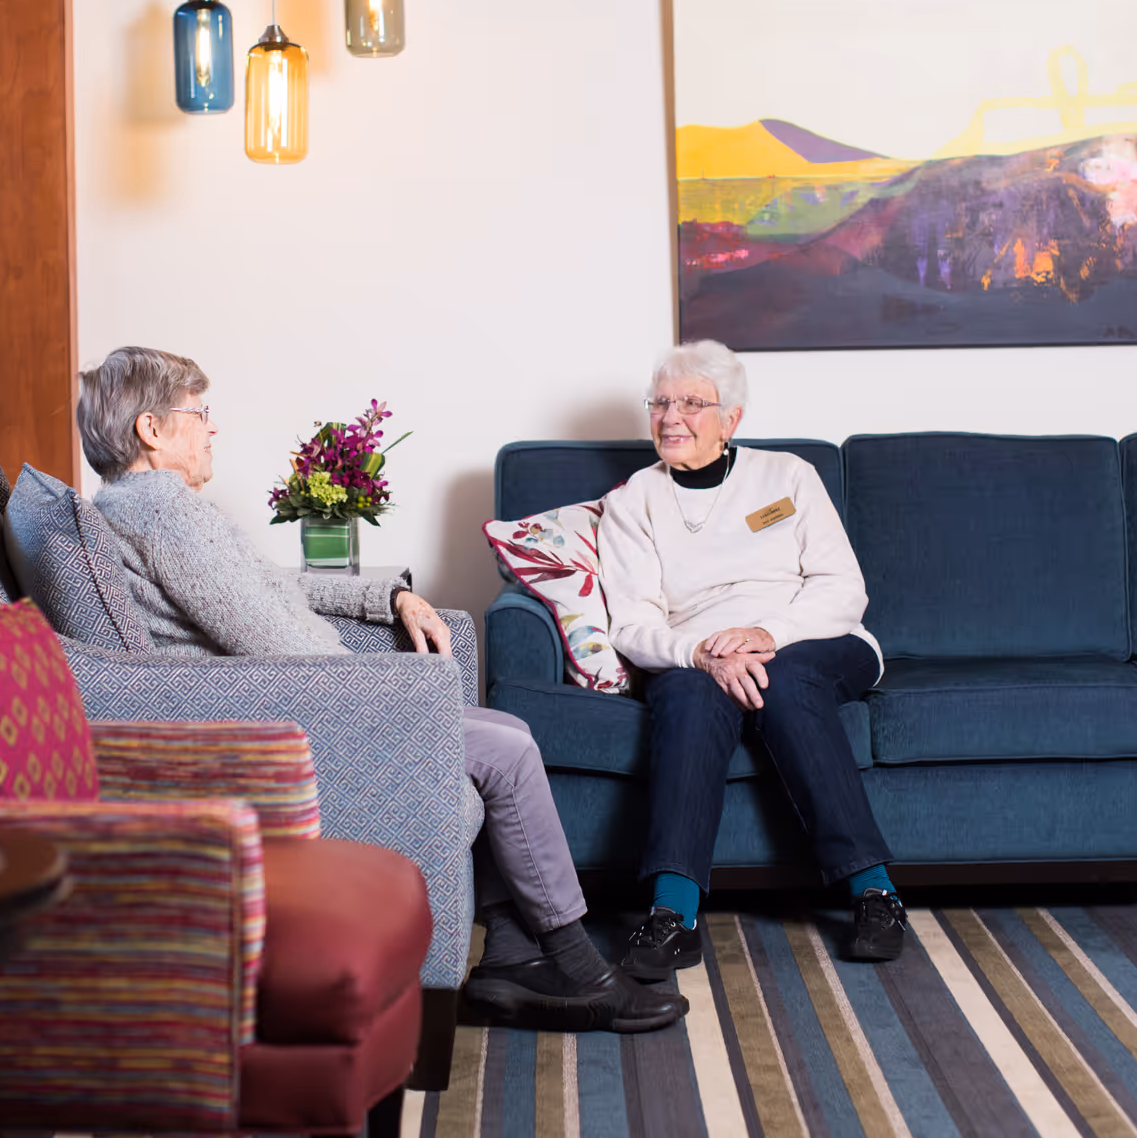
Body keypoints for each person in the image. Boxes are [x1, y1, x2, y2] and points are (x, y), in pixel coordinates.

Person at [76, 347, 685, 1034]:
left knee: (498, 739)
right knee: (508, 747)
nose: (212, 428)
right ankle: (575, 965)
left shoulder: (143, 508)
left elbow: (273, 585)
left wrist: (386, 598)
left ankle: (511, 959)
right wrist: (387, 687)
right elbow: (278, 643)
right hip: (280, 713)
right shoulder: (163, 512)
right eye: (199, 412)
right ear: (151, 430)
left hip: (278, 699)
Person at [598, 339, 907, 979]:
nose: (670, 417)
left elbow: (844, 590)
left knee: (788, 684)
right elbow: (632, 622)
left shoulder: (786, 475)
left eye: (691, 403)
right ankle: (672, 917)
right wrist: (702, 653)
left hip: (810, 637)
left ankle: (875, 895)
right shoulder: (633, 502)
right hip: (701, 654)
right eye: (660, 402)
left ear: (731, 419)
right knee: (682, 696)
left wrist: (766, 632)